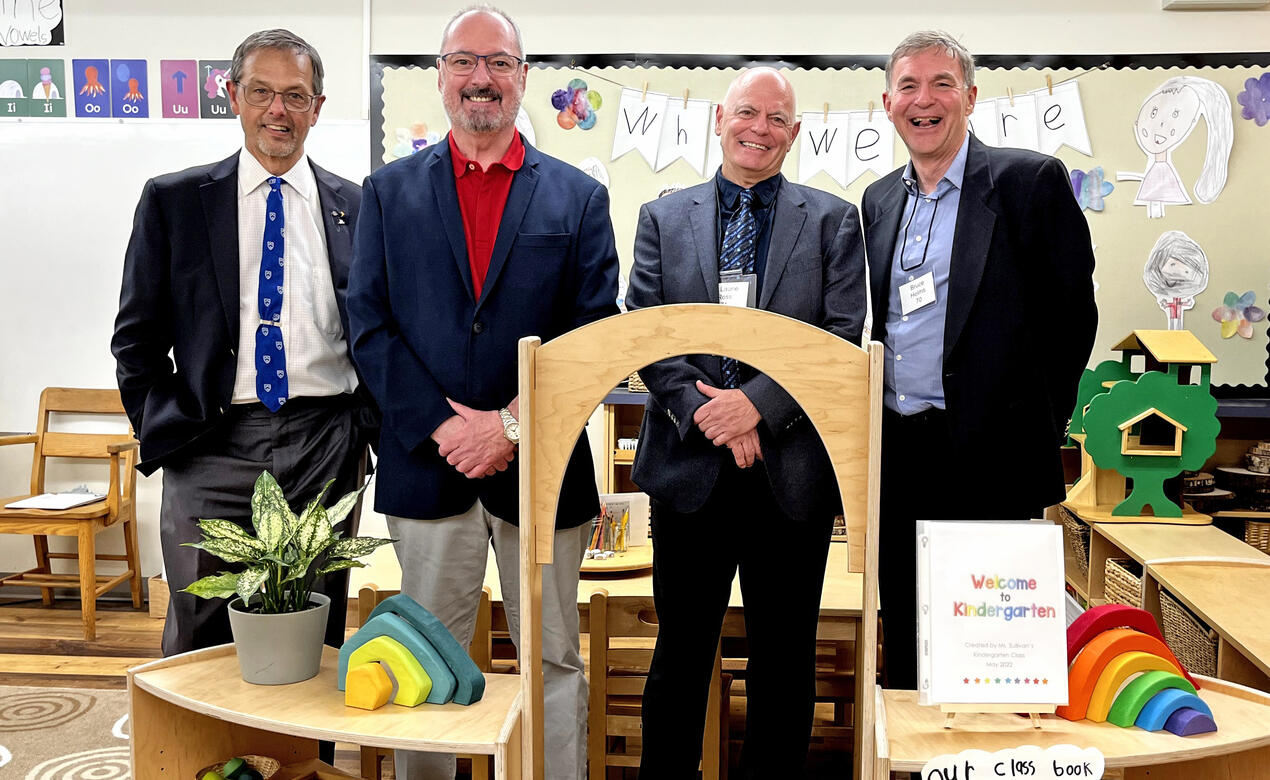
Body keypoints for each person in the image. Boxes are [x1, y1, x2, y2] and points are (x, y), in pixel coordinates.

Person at [347, 7, 618, 779]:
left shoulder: (576, 198)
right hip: (428, 472)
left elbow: (592, 335)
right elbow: (368, 327)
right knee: (420, 656)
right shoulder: (388, 192)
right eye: (464, 62)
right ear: (440, 77)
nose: (481, 79)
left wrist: (508, 426)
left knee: (555, 658)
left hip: (543, 473)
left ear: (523, 77)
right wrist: (445, 427)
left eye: (498, 63)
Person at [625, 67, 866, 779]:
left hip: (789, 477)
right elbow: (645, 331)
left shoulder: (831, 220)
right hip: (687, 472)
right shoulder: (662, 218)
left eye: (776, 119)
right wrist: (710, 413)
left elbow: (841, 335)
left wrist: (756, 405)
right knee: (681, 654)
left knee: (785, 661)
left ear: (795, 133)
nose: (759, 129)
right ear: (719, 119)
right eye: (747, 113)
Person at [111, 29, 373, 658]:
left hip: (324, 445)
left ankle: (306, 760)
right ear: (234, 95)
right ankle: (205, 760)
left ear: (317, 105)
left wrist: (363, 428)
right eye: (262, 92)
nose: (277, 111)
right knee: (203, 628)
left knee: (315, 631)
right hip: (210, 444)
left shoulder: (358, 207)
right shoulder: (173, 201)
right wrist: (165, 427)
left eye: (295, 95)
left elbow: (377, 331)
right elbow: (136, 338)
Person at [861, 30, 1097, 691]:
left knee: (989, 641)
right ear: (887, 103)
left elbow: (1072, 317)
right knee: (906, 630)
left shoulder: (1027, 183)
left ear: (969, 96)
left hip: (991, 456)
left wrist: (1033, 427)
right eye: (909, 86)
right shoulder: (879, 200)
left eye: (941, 84)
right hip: (899, 453)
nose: (924, 100)